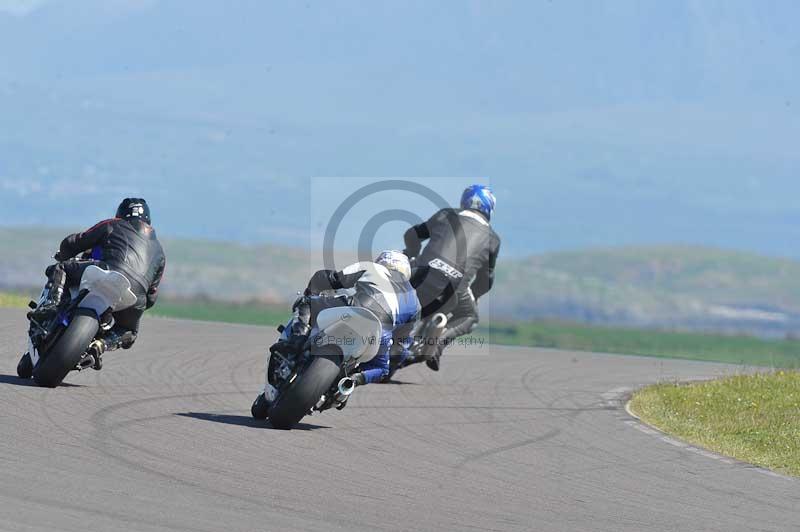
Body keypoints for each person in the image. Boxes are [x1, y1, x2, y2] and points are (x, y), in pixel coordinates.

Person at [261, 250, 420, 407]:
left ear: (383, 261)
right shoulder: (415, 300)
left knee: (306, 302)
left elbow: (329, 279)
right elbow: (402, 345)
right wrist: (394, 358)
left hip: (354, 308)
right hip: (381, 331)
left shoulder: (372, 267)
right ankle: (350, 382)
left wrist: (312, 293)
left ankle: (296, 341)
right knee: (380, 368)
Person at [31, 198, 166, 367]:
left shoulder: (113, 224)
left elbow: (75, 241)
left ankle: (51, 306)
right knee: (129, 332)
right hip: (134, 295)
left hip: (107, 271)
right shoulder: (160, 252)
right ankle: (102, 344)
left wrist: (64, 254)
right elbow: (152, 296)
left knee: (61, 268)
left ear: (120, 214)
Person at [402, 184, 501, 371]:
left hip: (422, 274)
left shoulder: (446, 215)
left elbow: (412, 234)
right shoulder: (493, 239)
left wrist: (412, 252)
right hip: (454, 288)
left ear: (465, 201)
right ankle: (438, 344)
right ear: (489, 208)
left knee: (394, 284)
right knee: (470, 316)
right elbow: (486, 279)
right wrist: (475, 295)